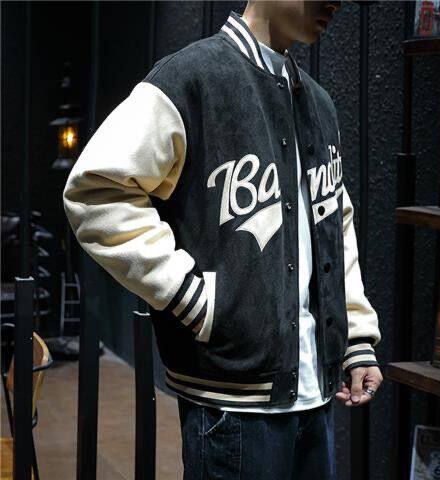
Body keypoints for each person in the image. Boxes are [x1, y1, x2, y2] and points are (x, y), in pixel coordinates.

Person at [63, 1, 383, 478]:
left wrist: (355, 336)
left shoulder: (318, 102)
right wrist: (195, 298)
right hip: (231, 407)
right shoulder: (190, 79)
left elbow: (335, 221)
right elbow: (96, 190)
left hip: (317, 395)